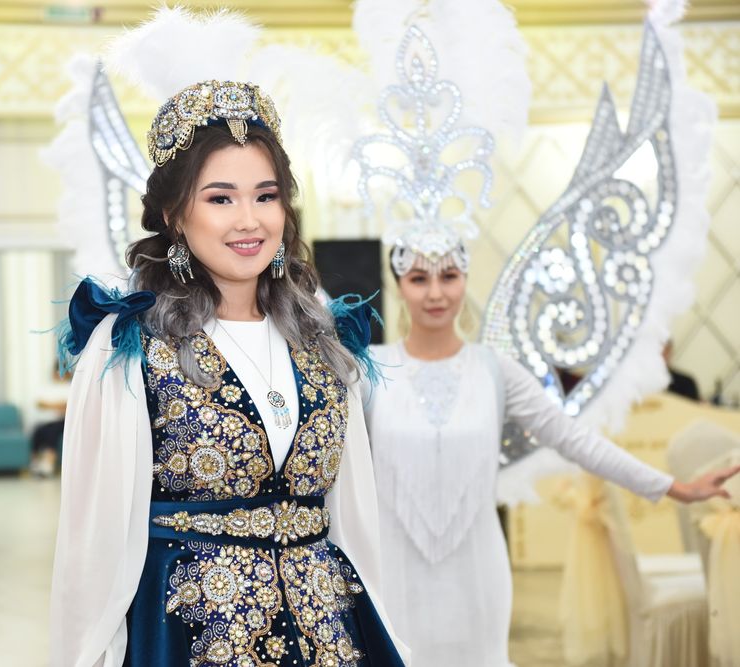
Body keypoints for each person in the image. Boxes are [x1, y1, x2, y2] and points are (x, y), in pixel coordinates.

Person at [50, 81, 410, 667]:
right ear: (175, 215)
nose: (249, 221)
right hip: (187, 640)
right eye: (220, 199)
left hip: (328, 638)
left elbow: (356, 525)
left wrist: (390, 635)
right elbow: (93, 548)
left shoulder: (325, 344)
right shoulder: (130, 348)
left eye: (266, 196)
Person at [364, 235, 740, 667]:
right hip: (393, 573)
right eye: (418, 279)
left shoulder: (494, 370)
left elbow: (573, 438)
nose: (435, 292)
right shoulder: (368, 368)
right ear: (399, 286)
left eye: (448, 276)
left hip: (478, 572)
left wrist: (674, 487)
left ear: (465, 279)